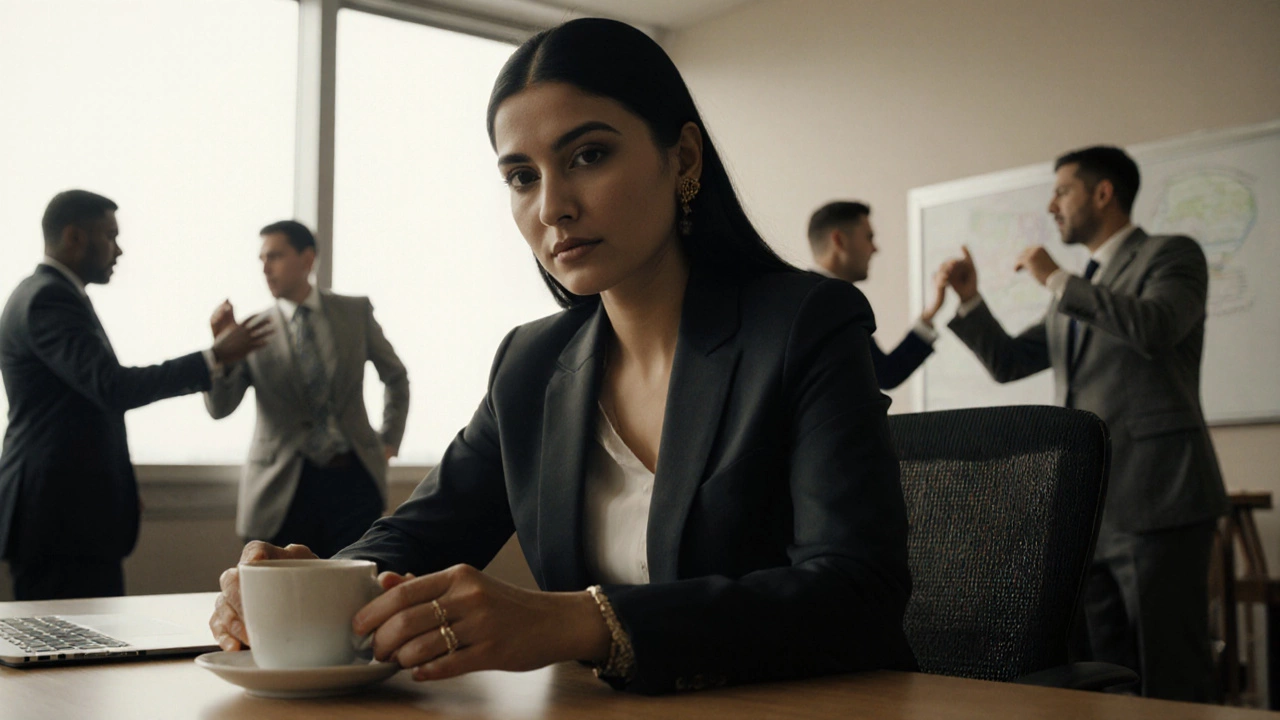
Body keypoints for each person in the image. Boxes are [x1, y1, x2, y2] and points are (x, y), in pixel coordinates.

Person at [210, 18, 916, 695]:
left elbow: (856, 593)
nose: (552, 207)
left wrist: (583, 622)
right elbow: (421, 535)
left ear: (685, 159)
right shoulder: (531, 364)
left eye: (588, 156)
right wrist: (315, 583)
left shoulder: (802, 326)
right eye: (522, 176)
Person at [938, 146, 1227, 702]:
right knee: (1105, 675)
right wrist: (971, 301)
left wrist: (1057, 280)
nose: (1052, 205)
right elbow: (1010, 363)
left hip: (1161, 500)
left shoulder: (1170, 255)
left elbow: (1157, 327)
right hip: (1089, 508)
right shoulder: (1079, 287)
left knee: (1172, 672)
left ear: (1102, 193)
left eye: (1061, 191)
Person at [0, 190, 270, 600]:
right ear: (74, 237)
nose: (119, 249)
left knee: (83, 651)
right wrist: (214, 357)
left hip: (69, 509)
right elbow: (113, 387)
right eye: (110, 235)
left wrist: (118, 483)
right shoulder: (48, 299)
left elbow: (83, 406)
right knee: (67, 651)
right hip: (57, 515)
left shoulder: (52, 294)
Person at [203, 220, 409, 559]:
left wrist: (388, 440)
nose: (265, 269)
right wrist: (222, 352)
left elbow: (396, 377)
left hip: (353, 479)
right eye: (261, 260)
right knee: (279, 599)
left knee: (350, 593)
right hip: (281, 486)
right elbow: (220, 408)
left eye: (275, 256)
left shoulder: (355, 312)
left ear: (307, 259)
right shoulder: (251, 330)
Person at [807, 201, 947, 388]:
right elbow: (884, 373)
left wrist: (931, 310)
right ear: (839, 240)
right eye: (869, 237)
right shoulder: (839, 301)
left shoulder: (795, 299)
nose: (875, 248)